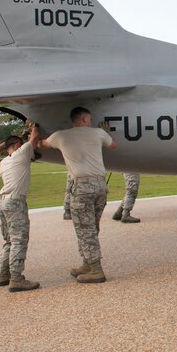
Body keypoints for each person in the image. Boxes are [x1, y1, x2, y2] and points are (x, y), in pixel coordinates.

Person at [39, 107, 116, 283]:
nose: (90, 121)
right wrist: (103, 134)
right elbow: (113, 145)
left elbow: (42, 144)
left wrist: (33, 133)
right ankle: (87, 264)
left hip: (82, 186)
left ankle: (96, 270)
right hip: (100, 186)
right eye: (89, 119)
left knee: (85, 229)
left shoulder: (61, 136)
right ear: (83, 120)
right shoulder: (98, 133)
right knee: (92, 226)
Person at [0, 127, 41, 292]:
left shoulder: (4, 162)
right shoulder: (21, 154)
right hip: (15, 203)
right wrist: (33, 127)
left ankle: (3, 274)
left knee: (9, 241)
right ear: (16, 144)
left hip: (2, 203)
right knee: (19, 240)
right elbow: (35, 139)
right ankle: (16, 279)